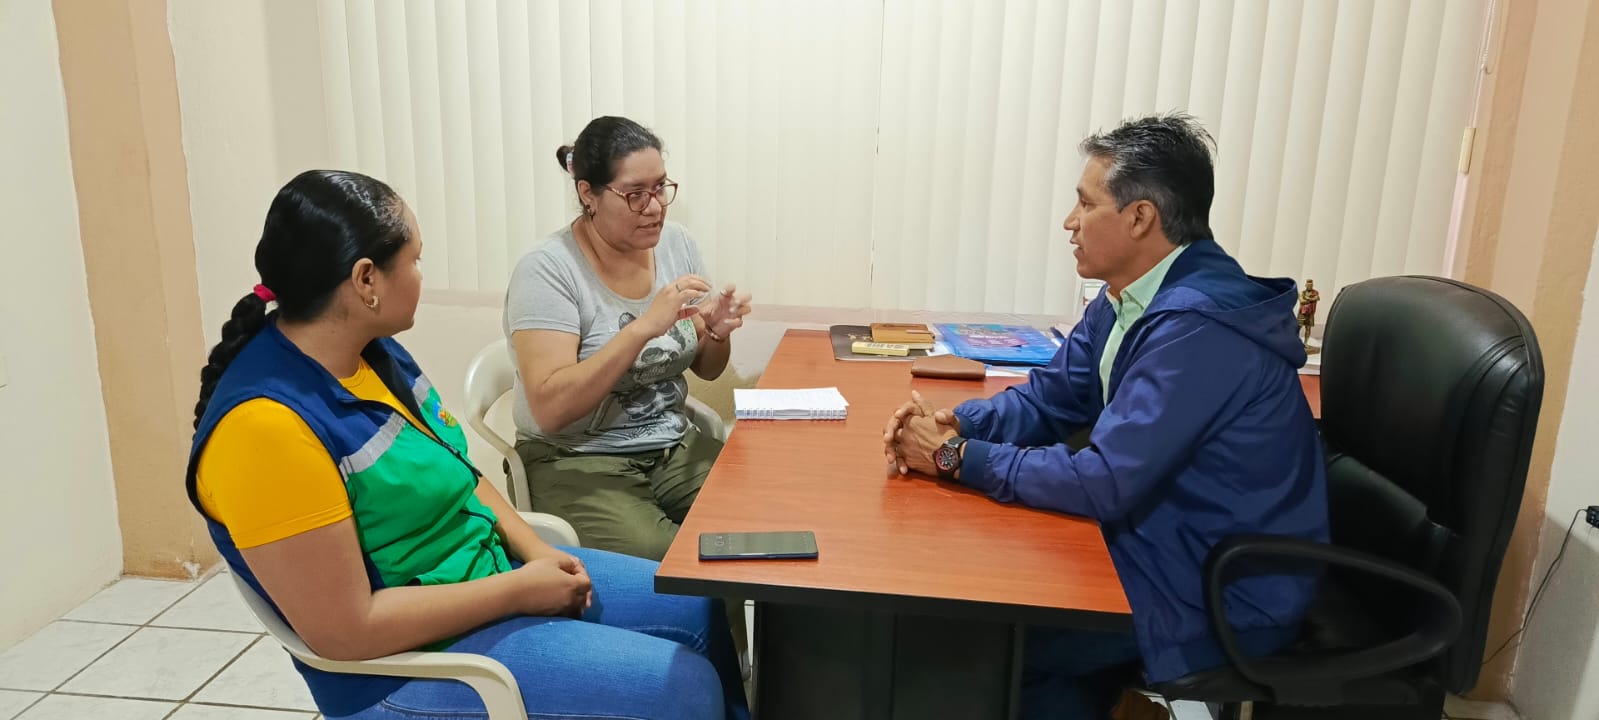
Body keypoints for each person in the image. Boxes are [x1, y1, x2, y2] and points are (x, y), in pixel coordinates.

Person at [186, 170, 748, 720]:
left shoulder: (372, 354)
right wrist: (517, 592)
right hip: (401, 667)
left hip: (484, 574)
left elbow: (459, 472)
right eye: (415, 260)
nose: (421, 276)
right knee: (683, 689)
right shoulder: (264, 430)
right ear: (366, 280)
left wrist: (536, 552)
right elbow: (346, 632)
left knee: (696, 601)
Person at [881, 114, 1328, 720]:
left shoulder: (1197, 327)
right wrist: (960, 425)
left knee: (997, 638)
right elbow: (1050, 397)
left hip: (1218, 590)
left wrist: (951, 457)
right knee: (986, 592)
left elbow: (1105, 480)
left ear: (1140, 217)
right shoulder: (1129, 295)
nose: (1070, 222)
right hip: (1158, 541)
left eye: (1086, 204)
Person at [505, 116, 751, 561]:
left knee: (756, 518)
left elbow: (708, 369)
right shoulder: (547, 270)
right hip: (577, 459)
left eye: (660, 188)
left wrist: (716, 329)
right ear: (588, 194)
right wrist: (642, 328)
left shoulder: (676, 245)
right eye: (635, 194)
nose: (655, 207)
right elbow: (550, 408)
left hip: (670, 444)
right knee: (671, 562)